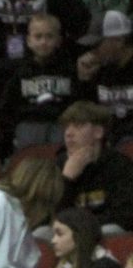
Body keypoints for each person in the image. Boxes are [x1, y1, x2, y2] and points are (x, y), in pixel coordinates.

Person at [0, 14, 76, 154]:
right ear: (28, 41)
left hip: (59, 124)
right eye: (38, 37)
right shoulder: (20, 71)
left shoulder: (68, 70)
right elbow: (7, 104)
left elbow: (75, 101)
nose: (43, 42)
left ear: (59, 40)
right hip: (28, 124)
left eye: (49, 37)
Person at [55, 100, 133, 237]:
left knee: (110, 230)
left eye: (78, 126)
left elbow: (123, 216)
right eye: (67, 127)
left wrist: (83, 227)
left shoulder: (120, 165)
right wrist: (67, 179)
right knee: (41, 233)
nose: (68, 133)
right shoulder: (59, 165)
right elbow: (51, 214)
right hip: (68, 231)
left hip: (101, 230)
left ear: (98, 132)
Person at [77, 10, 133, 145]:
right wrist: (84, 80)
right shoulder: (100, 71)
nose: (92, 51)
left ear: (119, 41)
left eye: (97, 45)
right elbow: (87, 113)